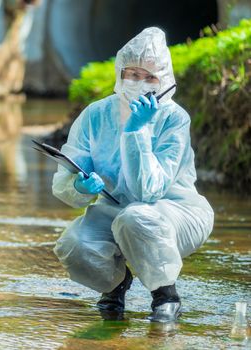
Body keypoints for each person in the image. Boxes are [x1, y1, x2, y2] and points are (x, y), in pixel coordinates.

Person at [52, 27, 214, 322]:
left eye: (150, 77)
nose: (139, 83)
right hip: (115, 208)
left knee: (135, 217)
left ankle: (165, 295)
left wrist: (137, 130)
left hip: (176, 211)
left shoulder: (174, 118)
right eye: (133, 74)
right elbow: (65, 177)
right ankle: (115, 286)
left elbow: (147, 191)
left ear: (164, 80)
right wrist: (78, 184)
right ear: (120, 73)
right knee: (74, 243)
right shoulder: (95, 115)